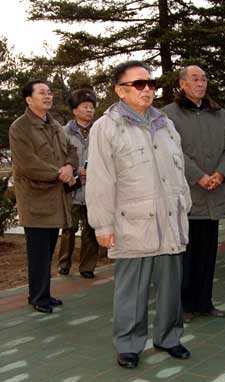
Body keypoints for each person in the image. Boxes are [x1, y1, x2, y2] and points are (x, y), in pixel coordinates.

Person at [86, 60, 192, 368]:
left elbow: (179, 169)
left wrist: (183, 203)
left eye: (151, 83)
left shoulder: (166, 123)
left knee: (172, 286)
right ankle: (129, 344)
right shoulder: (106, 128)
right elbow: (101, 180)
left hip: (170, 221)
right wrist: (102, 224)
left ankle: (169, 337)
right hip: (132, 221)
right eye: (139, 84)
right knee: (132, 291)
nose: (148, 89)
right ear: (120, 90)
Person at [163, 65, 225, 322]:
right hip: (187, 196)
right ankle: (184, 306)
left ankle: (204, 302)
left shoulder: (220, 114)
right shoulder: (169, 115)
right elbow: (172, 151)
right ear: (182, 84)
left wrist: (221, 173)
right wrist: (199, 176)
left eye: (204, 78)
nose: (201, 83)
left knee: (208, 254)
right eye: (194, 79)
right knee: (186, 255)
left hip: (214, 195)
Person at [9, 80, 78, 313]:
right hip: (36, 200)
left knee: (47, 251)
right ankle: (38, 297)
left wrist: (69, 166)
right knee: (38, 253)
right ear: (29, 99)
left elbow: (71, 149)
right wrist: (60, 174)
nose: (48, 96)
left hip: (56, 199)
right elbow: (28, 163)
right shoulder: (20, 128)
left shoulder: (56, 125)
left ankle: (43, 293)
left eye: (49, 93)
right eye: (42, 93)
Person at [58, 89, 102, 279]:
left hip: (94, 189)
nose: (89, 110)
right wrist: (75, 172)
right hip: (72, 188)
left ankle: (87, 267)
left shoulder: (100, 130)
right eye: (85, 107)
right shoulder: (64, 131)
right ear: (75, 110)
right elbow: (59, 157)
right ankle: (64, 263)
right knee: (69, 228)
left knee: (91, 229)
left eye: (92, 107)